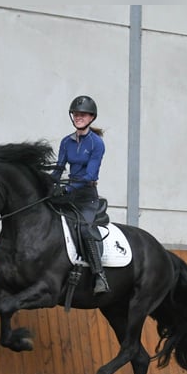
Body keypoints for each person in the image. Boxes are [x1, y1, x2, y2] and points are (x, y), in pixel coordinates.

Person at [50, 95, 110, 294]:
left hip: (86, 197)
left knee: (84, 229)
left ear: (91, 117)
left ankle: (99, 275)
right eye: (76, 114)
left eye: (82, 114)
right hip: (68, 194)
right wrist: (48, 184)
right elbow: (59, 169)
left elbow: (90, 175)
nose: (78, 117)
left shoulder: (96, 144)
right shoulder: (66, 142)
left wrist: (67, 188)